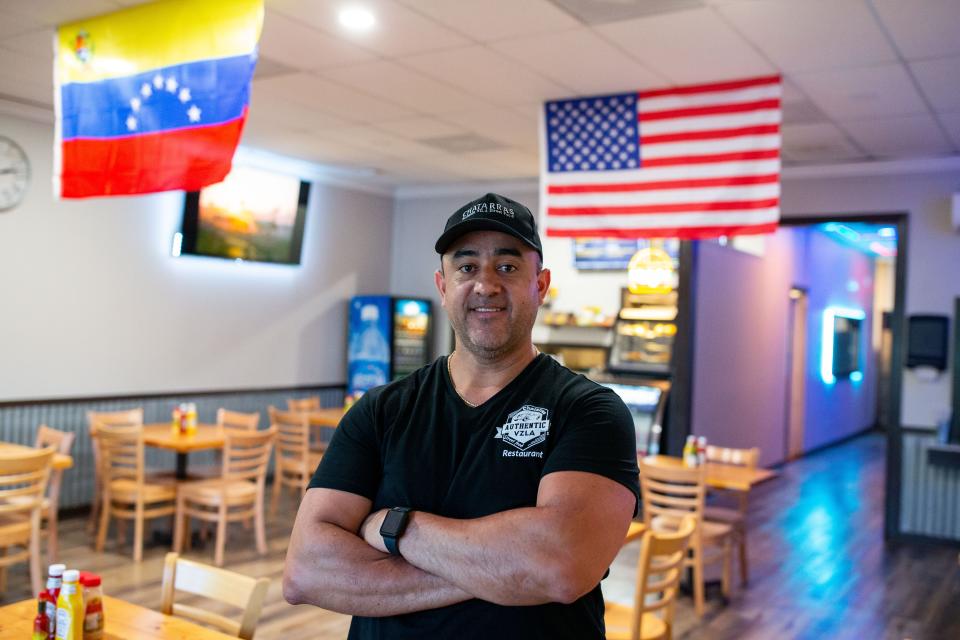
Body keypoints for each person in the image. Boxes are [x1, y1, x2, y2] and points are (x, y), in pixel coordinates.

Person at [283, 193, 640, 639]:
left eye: (507, 267)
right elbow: (306, 572)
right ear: (443, 285)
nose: (486, 285)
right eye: (466, 267)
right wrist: (503, 572)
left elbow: (559, 567)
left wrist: (395, 527)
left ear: (541, 285)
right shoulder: (380, 410)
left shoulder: (589, 411)